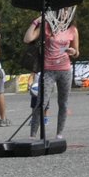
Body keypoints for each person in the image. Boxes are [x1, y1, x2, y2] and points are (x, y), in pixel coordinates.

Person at [23, 11, 78, 141]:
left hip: (65, 70)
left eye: (67, 11)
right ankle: (33, 134)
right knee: (41, 102)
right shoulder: (47, 27)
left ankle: (59, 133)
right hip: (48, 70)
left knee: (63, 103)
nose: (64, 14)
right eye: (61, 11)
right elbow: (28, 39)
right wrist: (37, 21)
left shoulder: (72, 29)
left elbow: (76, 52)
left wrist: (73, 51)